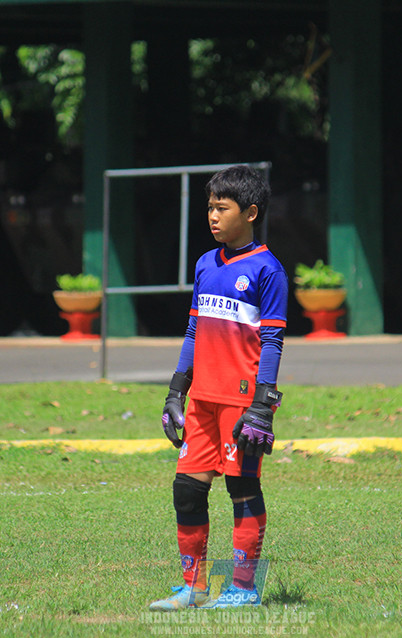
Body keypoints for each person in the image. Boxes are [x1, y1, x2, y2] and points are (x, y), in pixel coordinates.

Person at [149, 164, 288, 611]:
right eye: (209, 207)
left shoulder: (268, 270)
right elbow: (193, 332)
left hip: (240, 403)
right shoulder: (206, 264)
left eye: (221, 208)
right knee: (187, 489)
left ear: (250, 213)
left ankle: (244, 589)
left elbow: (272, 340)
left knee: (242, 490)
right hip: (202, 400)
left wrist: (262, 406)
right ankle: (195, 586)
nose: (212, 215)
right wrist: (176, 390)